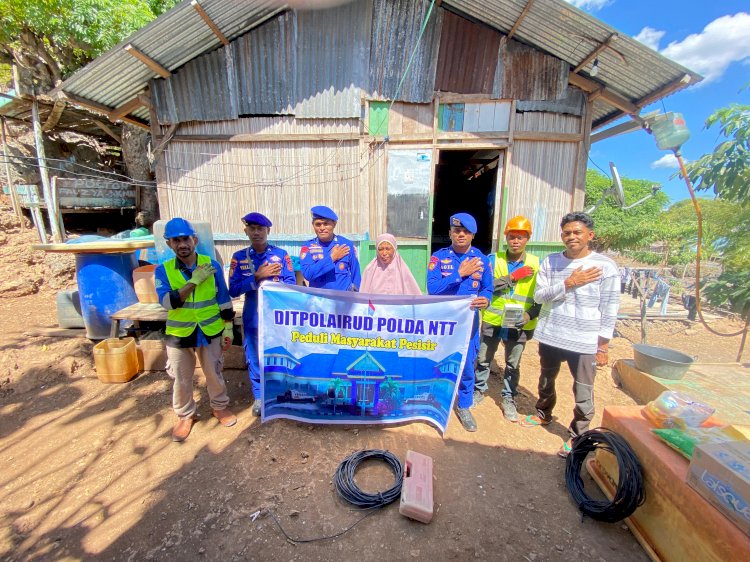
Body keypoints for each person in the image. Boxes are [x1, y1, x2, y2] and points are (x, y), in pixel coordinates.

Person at [520, 212, 620, 457]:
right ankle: (544, 413)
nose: (571, 237)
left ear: (590, 235)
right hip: (552, 333)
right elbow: (539, 296)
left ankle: (579, 434)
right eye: (567, 232)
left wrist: (603, 346)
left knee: (583, 389)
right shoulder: (551, 262)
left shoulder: (605, 266)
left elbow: (610, 307)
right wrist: (569, 282)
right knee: (546, 380)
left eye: (577, 232)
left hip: (584, 340)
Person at [155, 217, 237, 442]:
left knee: (214, 372)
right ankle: (185, 415)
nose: (182, 244)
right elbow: (169, 303)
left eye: (185, 239)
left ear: (194, 240)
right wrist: (193, 280)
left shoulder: (211, 265)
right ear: (170, 244)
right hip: (180, 333)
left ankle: (219, 407)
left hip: (210, 329)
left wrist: (228, 327)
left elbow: (223, 298)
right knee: (181, 377)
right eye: (176, 240)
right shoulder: (163, 271)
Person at [427, 213, 492, 432]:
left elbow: (487, 288)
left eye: (465, 232)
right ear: (450, 233)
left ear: (472, 235)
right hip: (443, 324)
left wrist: (486, 299)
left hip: (468, 325)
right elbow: (432, 290)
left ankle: (464, 405)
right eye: (456, 231)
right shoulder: (438, 257)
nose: (460, 234)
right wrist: (459, 273)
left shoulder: (481, 260)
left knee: (466, 364)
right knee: (438, 360)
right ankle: (433, 401)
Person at [228, 212, 296, 416]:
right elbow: (233, 290)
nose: (256, 233)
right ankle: (259, 396)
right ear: (246, 231)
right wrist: (257, 278)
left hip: (277, 316)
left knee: (279, 354)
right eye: (252, 228)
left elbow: (291, 284)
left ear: (268, 231)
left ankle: (279, 393)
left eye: (260, 229)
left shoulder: (281, 255)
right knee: (254, 356)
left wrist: (274, 284)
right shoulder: (239, 258)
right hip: (253, 316)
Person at [475, 216, 541, 422]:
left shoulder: (536, 264)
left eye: (520, 237)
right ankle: (479, 390)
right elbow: (482, 287)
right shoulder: (492, 260)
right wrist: (512, 277)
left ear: (528, 239)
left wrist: (530, 314)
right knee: (484, 359)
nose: (515, 241)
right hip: (493, 320)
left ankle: (508, 398)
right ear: (506, 237)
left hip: (519, 323)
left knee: (513, 364)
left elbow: (542, 296)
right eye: (512, 236)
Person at [300, 205, 361, 291]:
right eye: (318, 224)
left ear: (334, 224)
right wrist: (332, 258)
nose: (322, 228)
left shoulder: (346, 245)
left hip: (343, 301)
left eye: (326, 224)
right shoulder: (308, 247)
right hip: (319, 300)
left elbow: (356, 275)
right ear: (313, 225)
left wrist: (355, 298)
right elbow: (308, 274)